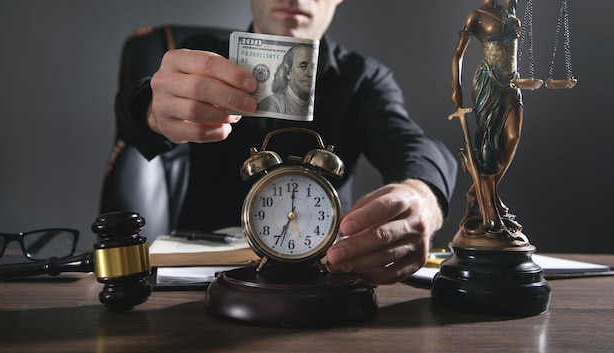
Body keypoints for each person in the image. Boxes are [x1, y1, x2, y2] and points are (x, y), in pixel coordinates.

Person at [115, 0, 457, 285]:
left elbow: (410, 141)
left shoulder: (363, 79)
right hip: (204, 282)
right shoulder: (199, 58)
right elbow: (132, 117)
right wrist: (152, 111)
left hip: (322, 272)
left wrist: (422, 196)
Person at [450, 0, 527, 245]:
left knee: (512, 138)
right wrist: (456, 89)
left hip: (511, 84)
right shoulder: (478, 16)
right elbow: (458, 54)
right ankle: (490, 209)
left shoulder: (511, 12)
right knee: (488, 145)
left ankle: (479, 192)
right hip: (488, 83)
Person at [257, 44, 315, 115]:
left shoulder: (319, 102)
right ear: (288, 72)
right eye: (303, 67)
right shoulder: (272, 104)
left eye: (314, 68)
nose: (310, 74)